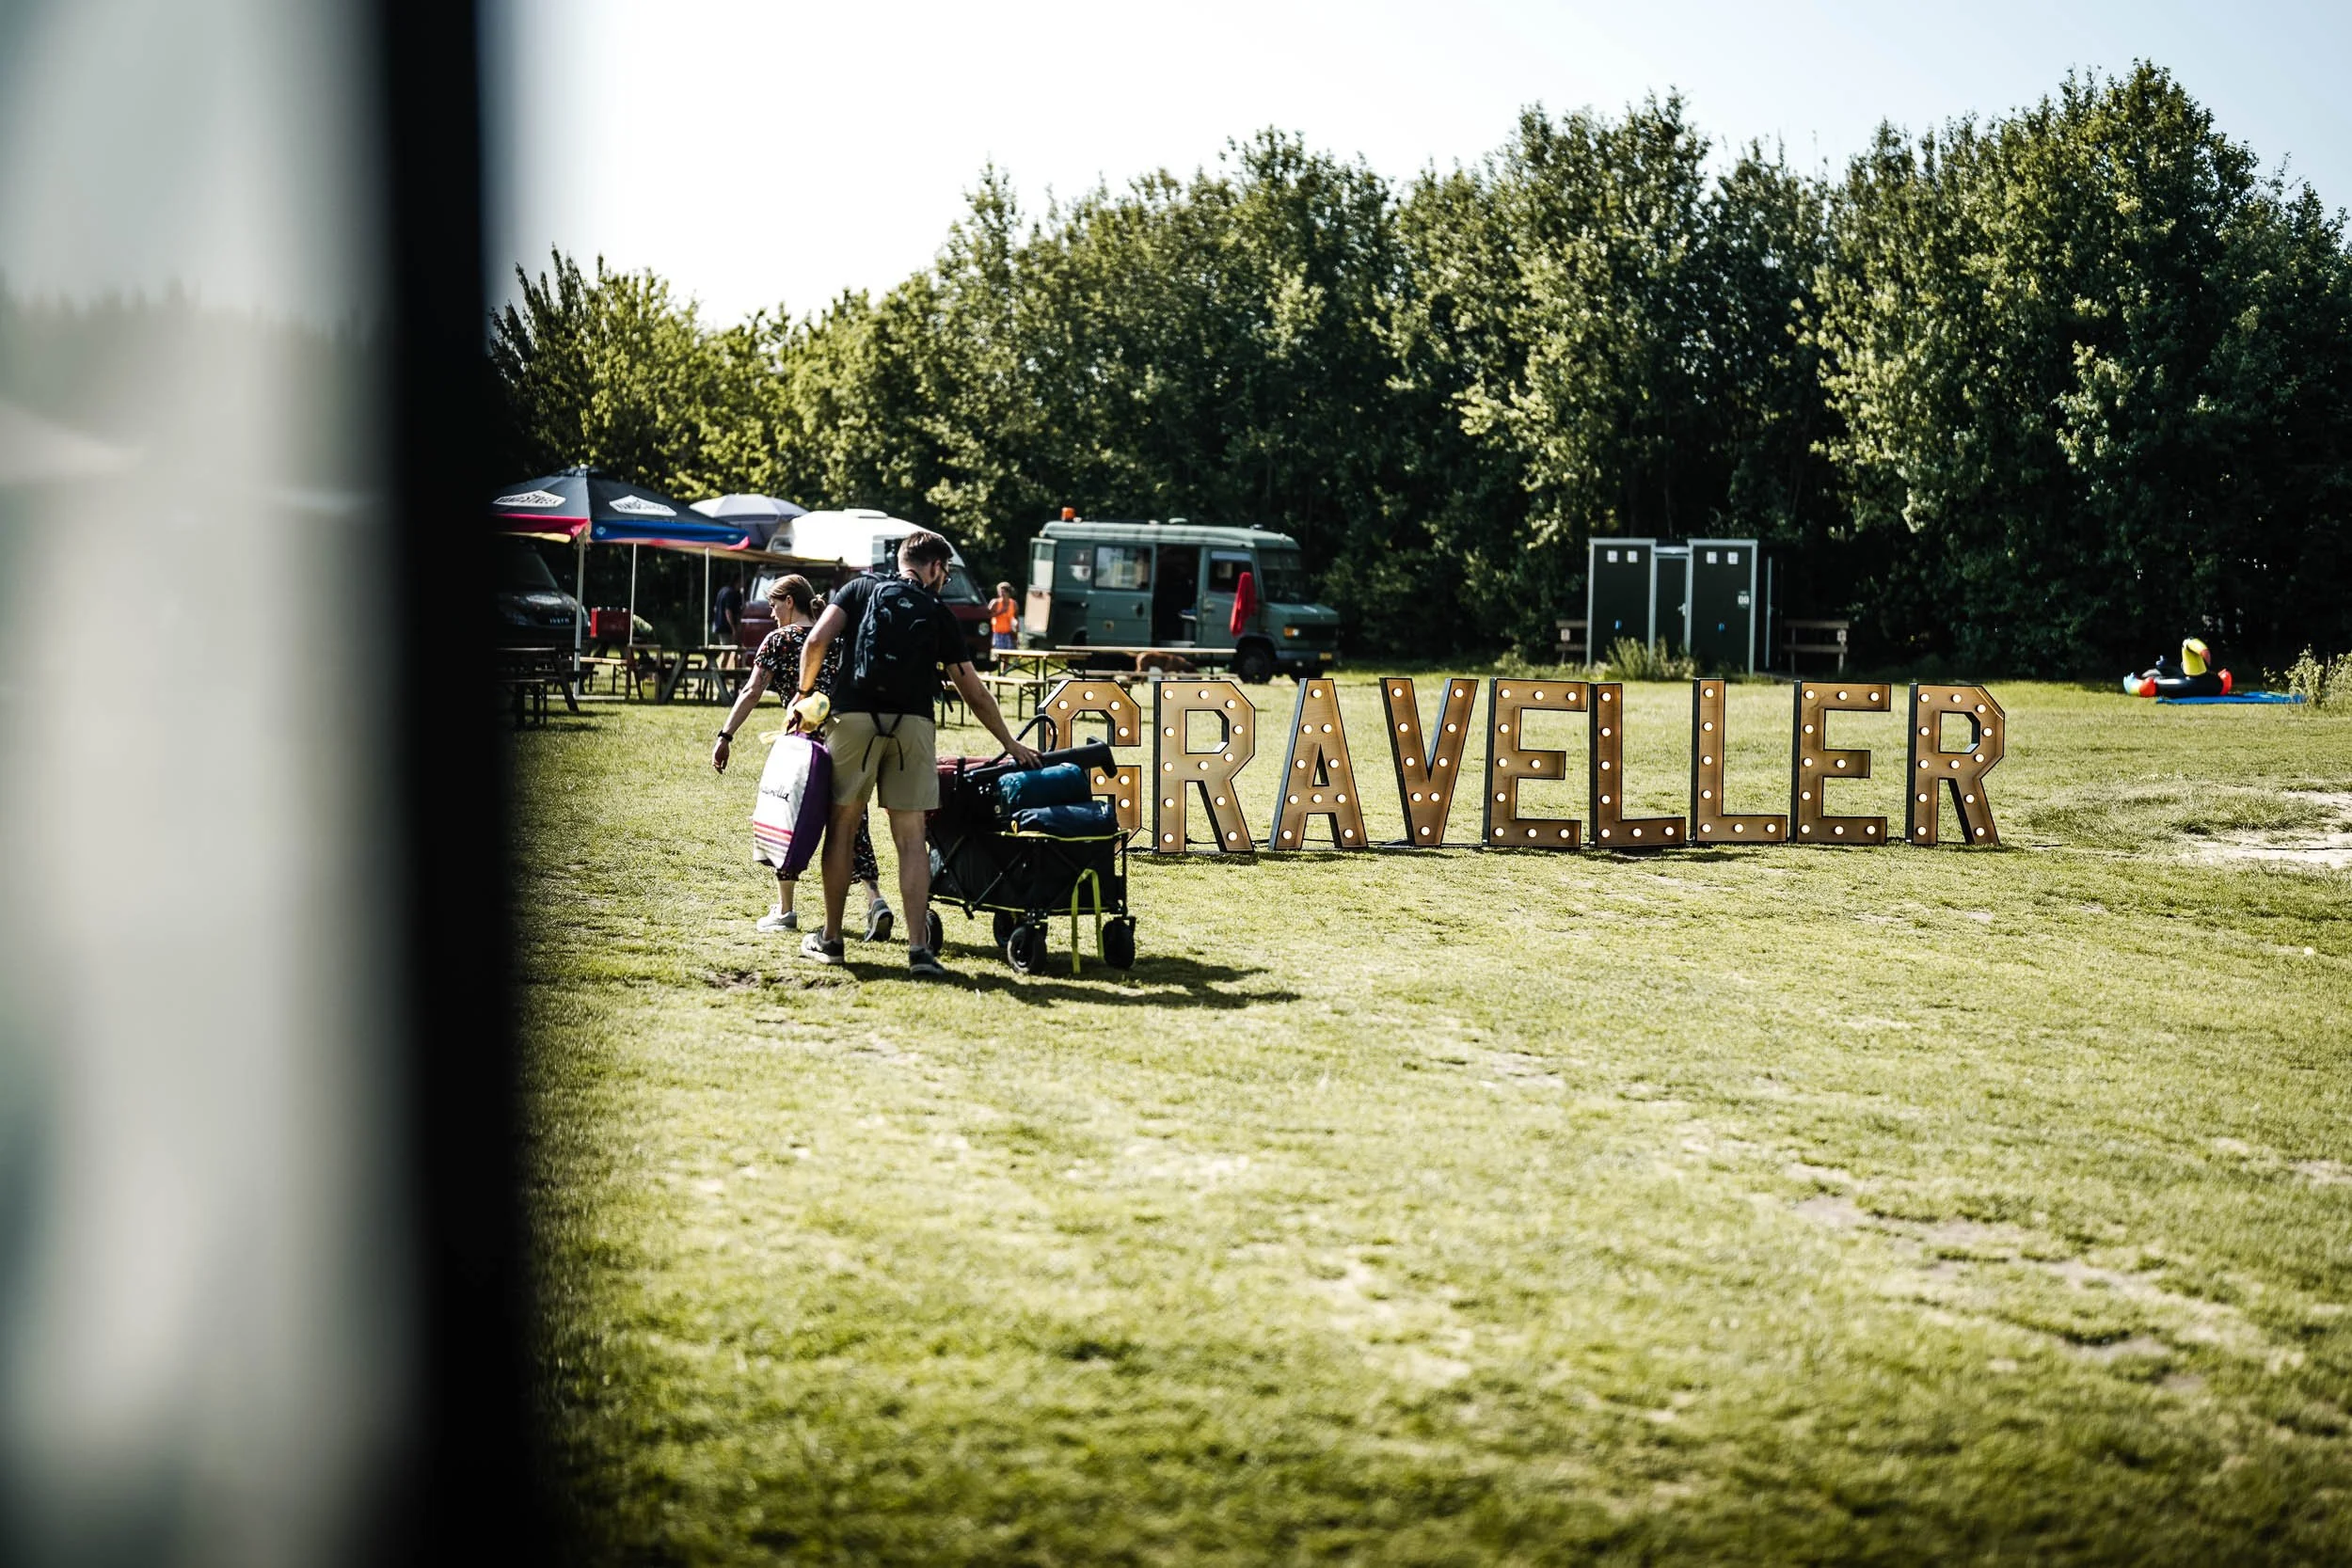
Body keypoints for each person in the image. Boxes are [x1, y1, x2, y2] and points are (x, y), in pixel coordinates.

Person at [796, 531, 1038, 978]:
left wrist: (803, 697)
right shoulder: (937, 611)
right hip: (913, 724)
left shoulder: (859, 588)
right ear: (933, 567)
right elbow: (971, 687)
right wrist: (1009, 743)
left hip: (853, 719)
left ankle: (831, 939)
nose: (943, 581)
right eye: (944, 573)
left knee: (843, 829)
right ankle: (920, 951)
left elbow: (815, 643)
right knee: (910, 838)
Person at [709, 577, 892, 941]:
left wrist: (725, 735)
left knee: (787, 819)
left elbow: (751, 691)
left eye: (774, 606)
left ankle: (786, 909)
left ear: (789, 601)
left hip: (800, 744)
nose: (771, 614)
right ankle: (874, 900)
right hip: (842, 740)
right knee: (852, 822)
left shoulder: (778, 640)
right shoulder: (837, 638)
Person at [711, 575, 744, 646]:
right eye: (741, 582)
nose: (743, 584)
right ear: (737, 582)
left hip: (719, 625)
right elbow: (728, 611)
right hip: (726, 628)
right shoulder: (730, 593)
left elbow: (715, 608)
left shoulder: (722, 590)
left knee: (733, 650)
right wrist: (733, 628)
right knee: (726, 652)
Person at [988, 580, 1019, 653]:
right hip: (997, 633)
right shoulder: (995, 602)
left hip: (1009, 634)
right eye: (1000, 591)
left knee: (1007, 656)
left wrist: (1016, 635)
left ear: (1009, 592)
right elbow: (987, 615)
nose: (1001, 593)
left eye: (1004, 591)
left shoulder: (1014, 604)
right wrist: (1000, 612)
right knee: (999, 655)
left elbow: (1016, 619)